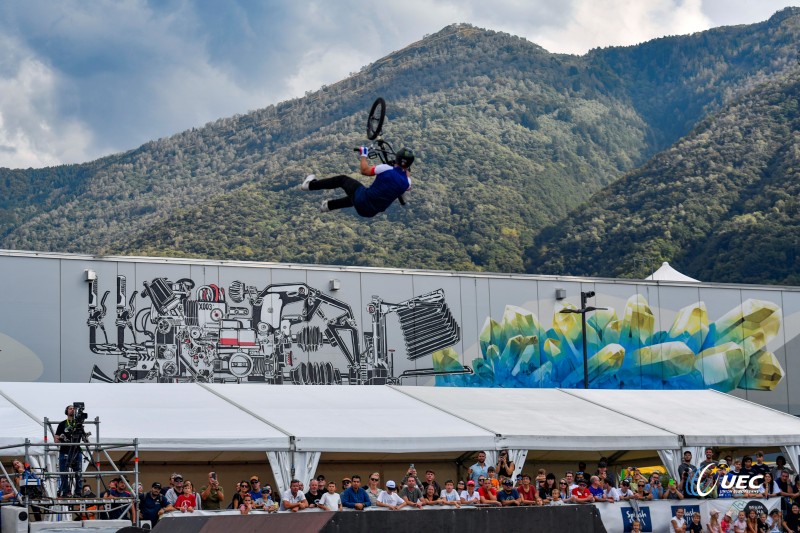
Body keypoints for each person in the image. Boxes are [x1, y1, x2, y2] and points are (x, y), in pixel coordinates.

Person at [301, 146, 414, 216]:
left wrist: (364, 155)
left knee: (342, 180)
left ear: (397, 158)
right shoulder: (406, 183)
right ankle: (328, 206)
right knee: (356, 195)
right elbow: (406, 176)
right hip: (369, 212)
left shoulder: (386, 168)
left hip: (363, 199)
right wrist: (404, 167)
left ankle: (310, 185)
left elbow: (364, 171)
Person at [54, 404, 83, 497]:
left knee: (78, 473)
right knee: (64, 473)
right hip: (64, 451)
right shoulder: (62, 424)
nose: (72, 410)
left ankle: (78, 492)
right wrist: (60, 438)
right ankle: (66, 492)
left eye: (74, 408)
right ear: (66, 411)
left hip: (76, 451)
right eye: (70, 408)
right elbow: (56, 440)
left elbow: (84, 438)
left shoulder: (79, 424)